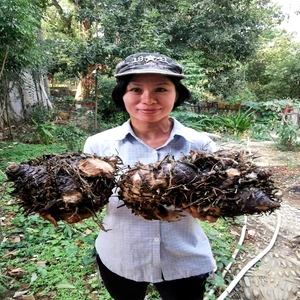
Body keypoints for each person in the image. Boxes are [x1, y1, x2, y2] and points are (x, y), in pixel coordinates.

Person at [83, 52, 218, 300]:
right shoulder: (98, 145)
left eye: (161, 89)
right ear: (122, 94)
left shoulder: (200, 144)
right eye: (135, 89)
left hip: (183, 259)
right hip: (121, 256)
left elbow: (215, 202)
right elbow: (90, 199)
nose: (148, 99)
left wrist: (210, 209)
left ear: (177, 94)